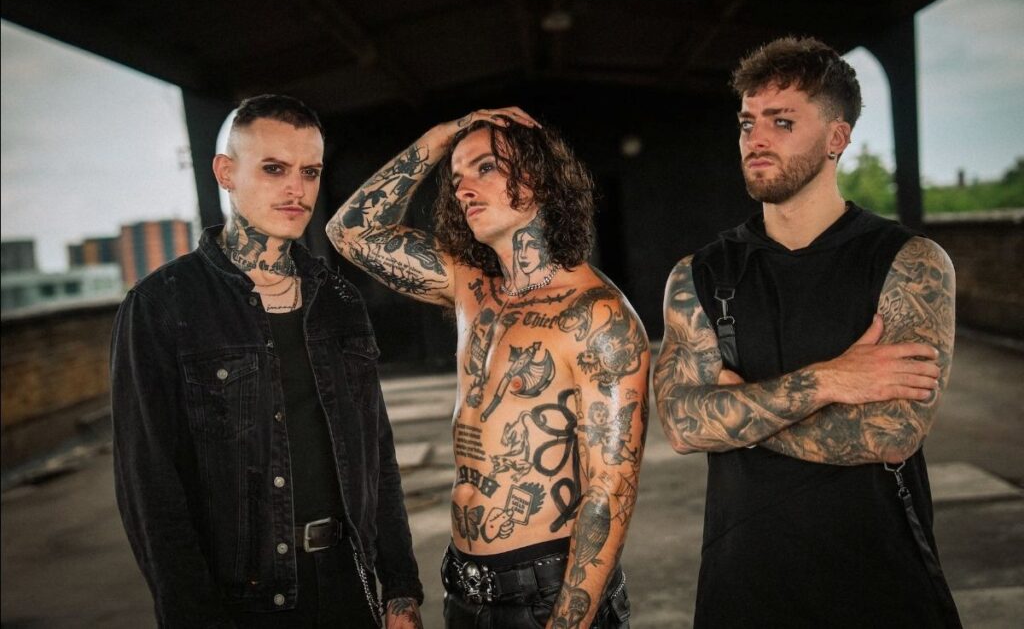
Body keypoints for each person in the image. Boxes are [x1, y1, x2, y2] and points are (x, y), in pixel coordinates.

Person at [653, 36, 961, 627]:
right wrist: (829, 381)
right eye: (747, 123)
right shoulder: (701, 274)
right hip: (743, 587)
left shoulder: (909, 263)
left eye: (782, 122)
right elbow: (681, 425)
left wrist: (738, 421)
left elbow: (892, 433)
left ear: (836, 138)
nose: (756, 139)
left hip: (880, 583)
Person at [111, 94, 423, 628]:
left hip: (350, 586)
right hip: (246, 606)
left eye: (310, 171)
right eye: (274, 169)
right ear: (225, 173)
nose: (296, 189)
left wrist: (399, 587)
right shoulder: (162, 305)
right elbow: (151, 491)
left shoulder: (339, 301)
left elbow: (377, 452)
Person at [327, 108, 646, 628]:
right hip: (463, 587)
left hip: (547, 594)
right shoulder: (471, 287)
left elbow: (608, 494)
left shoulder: (596, 316)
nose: (464, 189)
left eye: (486, 168)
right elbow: (350, 232)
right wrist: (441, 136)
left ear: (539, 178)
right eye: (456, 178)